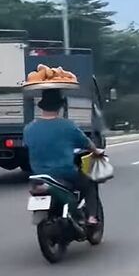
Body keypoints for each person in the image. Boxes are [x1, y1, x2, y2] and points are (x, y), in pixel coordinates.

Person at [23, 86, 104, 224]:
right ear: (60, 106)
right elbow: (86, 143)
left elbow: (27, 145)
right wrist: (96, 151)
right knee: (90, 182)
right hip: (65, 173)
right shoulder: (68, 126)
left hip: (38, 175)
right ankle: (91, 217)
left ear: (41, 106)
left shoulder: (29, 128)